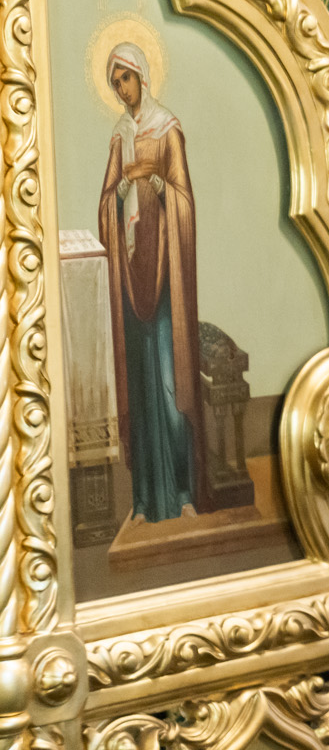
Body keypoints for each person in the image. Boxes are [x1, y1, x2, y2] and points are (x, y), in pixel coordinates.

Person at [96, 41, 213, 523]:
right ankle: (144, 499)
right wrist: (124, 185)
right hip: (130, 277)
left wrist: (158, 181)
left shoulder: (167, 128)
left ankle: (184, 493)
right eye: (115, 82)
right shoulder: (119, 135)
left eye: (126, 78)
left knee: (168, 383)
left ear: (143, 75)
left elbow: (185, 201)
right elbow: (106, 206)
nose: (123, 89)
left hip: (163, 273)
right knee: (141, 389)